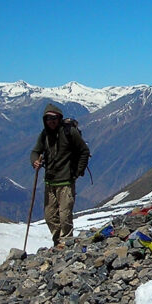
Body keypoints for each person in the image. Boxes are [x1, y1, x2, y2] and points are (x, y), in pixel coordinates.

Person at [30, 104, 90, 247]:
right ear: (45, 120)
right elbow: (35, 152)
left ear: (59, 118)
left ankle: (66, 244)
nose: (51, 121)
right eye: (48, 118)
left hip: (66, 182)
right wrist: (35, 162)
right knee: (50, 217)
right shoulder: (44, 135)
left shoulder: (70, 133)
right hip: (50, 183)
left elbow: (84, 151)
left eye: (54, 118)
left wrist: (77, 172)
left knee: (64, 216)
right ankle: (59, 243)